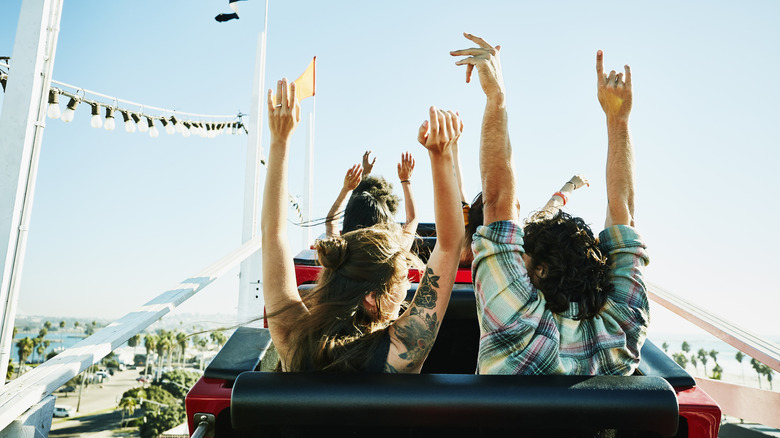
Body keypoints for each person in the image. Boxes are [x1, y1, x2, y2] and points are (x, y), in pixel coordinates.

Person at [451, 33, 650, 375]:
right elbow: (624, 214)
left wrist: (496, 97)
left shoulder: (514, 324)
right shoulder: (623, 330)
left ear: (541, 269)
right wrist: (618, 120)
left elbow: (498, 203)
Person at [261, 77, 464, 372]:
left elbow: (272, 236)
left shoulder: (292, 338)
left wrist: (280, 140)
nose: (408, 287)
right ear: (372, 297)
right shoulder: (400, 351)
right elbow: (450, 244)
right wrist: (442, 155)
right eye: (402, 282)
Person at [459, 174, 589, 269]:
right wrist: (571, 185)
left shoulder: (459, 244)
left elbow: (458, 193)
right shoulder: (520, 243)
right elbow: (550, 209)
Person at [326, 152, 419, 252]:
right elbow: (412, 219)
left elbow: (331, 221)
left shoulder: (340, 252)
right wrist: (406, 180)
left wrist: (346, 189)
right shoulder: (394, 252)